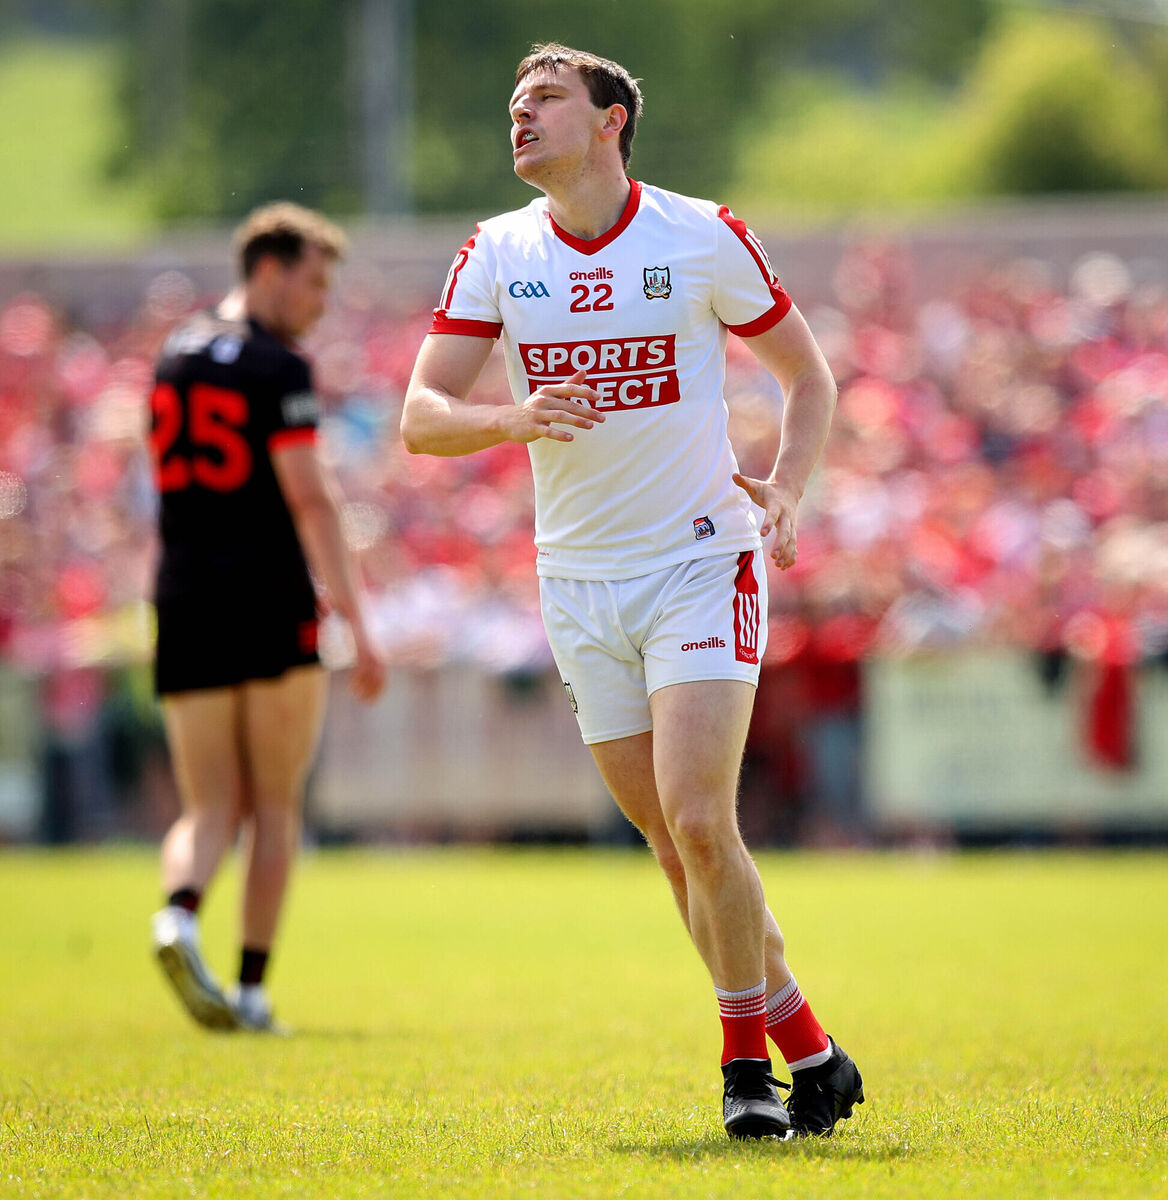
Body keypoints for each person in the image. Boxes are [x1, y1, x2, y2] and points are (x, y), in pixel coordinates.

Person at [401, 44, 863, 1138]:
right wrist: (513, 416)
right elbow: (422, 416)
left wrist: (787, 492)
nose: (520, 116)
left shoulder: (699, 233)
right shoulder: (495, 251)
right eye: (513, 102)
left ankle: (746, 1076)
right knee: (673, 845)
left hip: (701, 561)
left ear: (611, 121)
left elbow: (807, 376)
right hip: (577, 582)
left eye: (546, 100)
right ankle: (812, 1048)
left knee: (704, 821)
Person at [148, 202, 386, 1033]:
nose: (322, 302)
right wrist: (356, 622)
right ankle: (250, 989)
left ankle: (177, 915)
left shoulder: (173, 354)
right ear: (270, 268)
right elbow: (311, 501)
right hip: (267, 596)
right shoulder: (276, 365)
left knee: (208, 804)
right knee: (277, 804)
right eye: (315, 282)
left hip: (181, 596)